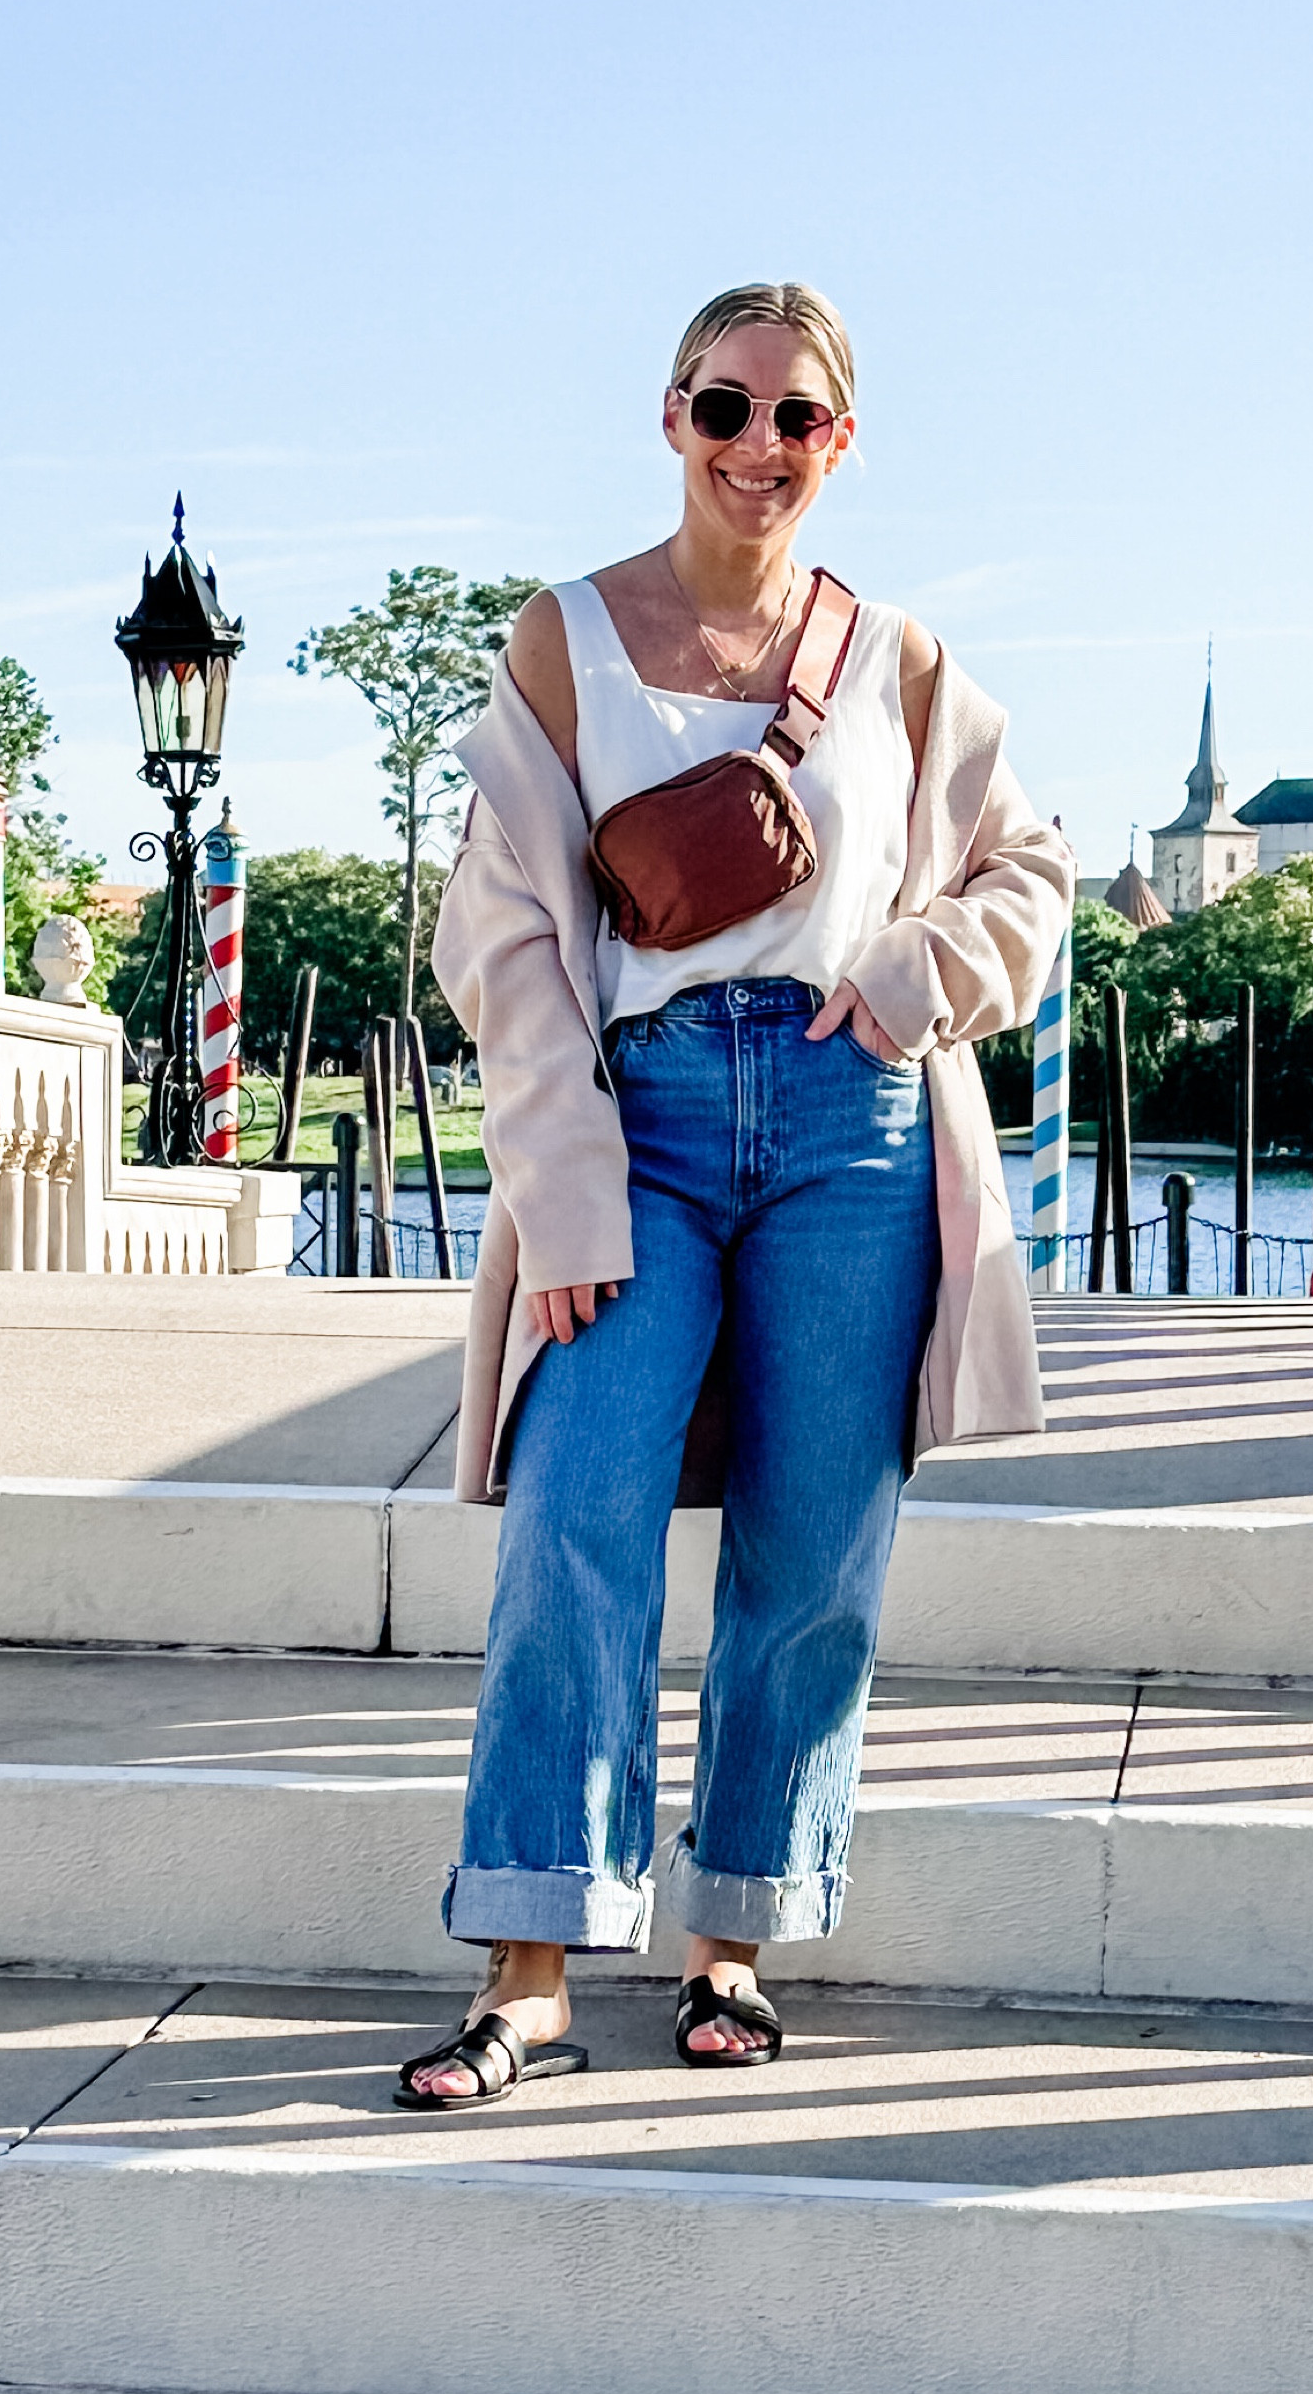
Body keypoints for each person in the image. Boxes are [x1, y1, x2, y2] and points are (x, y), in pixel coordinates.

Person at [395, 281, 1071, 2109]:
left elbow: (1033, 873)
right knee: (576, 1509)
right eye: (726, 408)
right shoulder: (567, 640)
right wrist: (565, 1182)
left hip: (853, 1122)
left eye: (799, 418)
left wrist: (914, 984)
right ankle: (530, 1964)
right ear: (671, 415)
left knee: (813, 1541)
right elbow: (505, 935)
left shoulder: (900, 659)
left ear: (840, 441)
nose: (760, 446)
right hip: (648, 1121)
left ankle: (734, 1943)